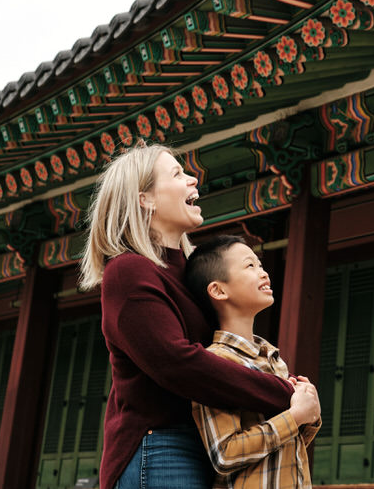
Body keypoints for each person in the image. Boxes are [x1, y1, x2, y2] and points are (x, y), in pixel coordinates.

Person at [79, 145, 294, 489]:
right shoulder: (128, 270)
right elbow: (176, 363)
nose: (194, 179)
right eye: (178, 174)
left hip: (210, 442)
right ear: (145, 199)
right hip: (162, 446)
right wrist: (283, 394)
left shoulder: (191, 271)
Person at [184, 234, 321, 487]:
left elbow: (283, 451)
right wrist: (295, 417)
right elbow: (224, 454)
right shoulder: (216, 362)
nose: (263, 273)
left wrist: (310, 414)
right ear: (218, 290)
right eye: (250, 266)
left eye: (260, 264)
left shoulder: (272, 357)